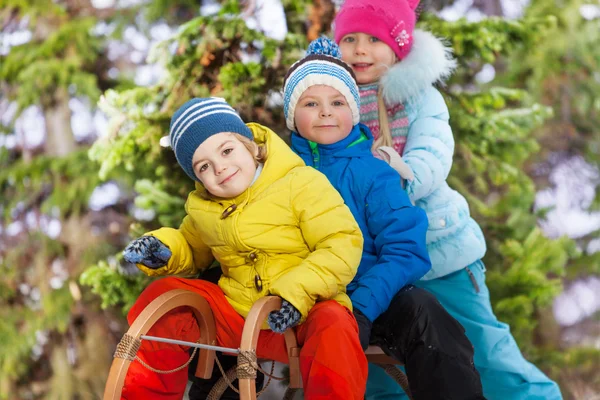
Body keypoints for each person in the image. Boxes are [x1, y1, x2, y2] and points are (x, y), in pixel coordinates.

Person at [332, 1, 563, 398]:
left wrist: (398, 177)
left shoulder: (420, 98)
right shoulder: (334, 103)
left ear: (399, 46)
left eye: (374, 39)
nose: (360, 50)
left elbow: (433, 152)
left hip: (441, 254)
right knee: (381, 370)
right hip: (376, 264)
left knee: (485, 352)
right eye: (349, 39)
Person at [121, 97, 368, 399]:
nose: (220, 167)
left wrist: (297, 293)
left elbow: (341, 241)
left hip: (303, 311)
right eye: (204, 167)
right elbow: (191, 246)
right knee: (164, 298)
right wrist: (164, 249)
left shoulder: (300, 183)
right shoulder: (206, 209)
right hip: (237, 313)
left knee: (335, 326)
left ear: (248, 143)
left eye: (226, 150)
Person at [283, 36, 485, 400]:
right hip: (305, 302)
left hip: (369, 299)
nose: (326, 112)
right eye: (311, 103)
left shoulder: (375, 173)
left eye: (338, 102)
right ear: (292, 116)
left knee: (428, 315)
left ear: (354, 110)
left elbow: (404, 248)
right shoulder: (281, 176)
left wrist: (361, 305)